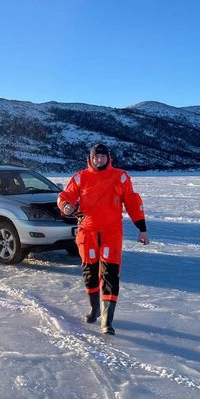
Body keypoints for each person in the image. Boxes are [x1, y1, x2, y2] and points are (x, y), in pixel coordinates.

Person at [57, 144, 150, 335]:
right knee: (90, 273)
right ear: (90, 158)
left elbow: (133, 202)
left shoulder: (120, 176)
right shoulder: (80, 177)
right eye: (96, 157)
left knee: (110, 274)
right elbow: (64, 196)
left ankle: (107, 321)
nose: (99, 160)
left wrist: (142, 229)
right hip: (87, 232)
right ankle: (94, 309)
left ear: (108, 158)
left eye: (102, 157)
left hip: (111, 233)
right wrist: (66, 206)